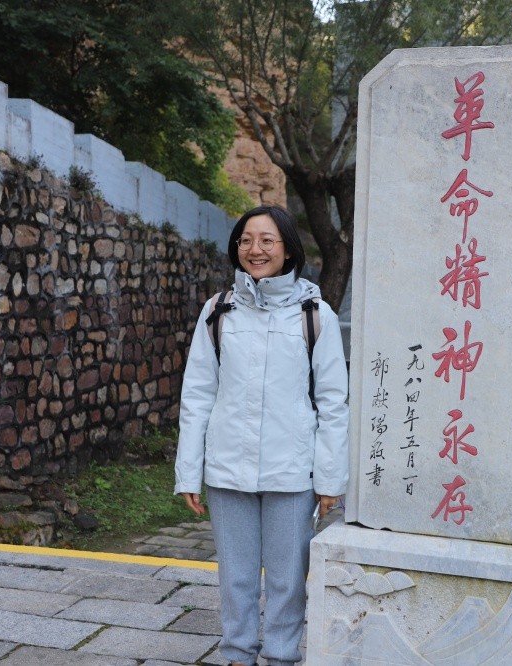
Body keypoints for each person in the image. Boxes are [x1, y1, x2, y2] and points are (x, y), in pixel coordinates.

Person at [174, 205, 349, 666]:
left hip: (291, 469)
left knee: (289, 578)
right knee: (236, 575)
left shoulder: (316, 315)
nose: (256, 249)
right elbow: (198, 394)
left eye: (267, 240)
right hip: (227, 466)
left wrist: (329, 480)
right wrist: (189, 471)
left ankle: (281, 656)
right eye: (247, 240)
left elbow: (333, 402)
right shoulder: (218, 311)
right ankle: (237, 655)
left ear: (288, 249)